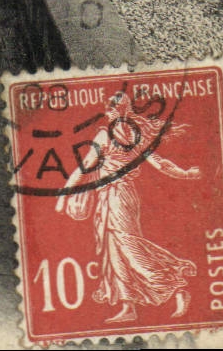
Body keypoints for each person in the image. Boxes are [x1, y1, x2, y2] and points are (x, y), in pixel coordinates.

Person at [55, 92, 201, 323]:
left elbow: (85, 167)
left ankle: (174, 285)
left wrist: (185, 174)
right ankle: (127, 306)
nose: (109, 108)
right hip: (108, 196)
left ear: (124, 109)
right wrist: (64, 193)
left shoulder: (118, 135)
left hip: (120, 196)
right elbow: (85, 166)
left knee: (128, 245)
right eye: (109, 105)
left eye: (114, 105)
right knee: (112, 249)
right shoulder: (128, 134)